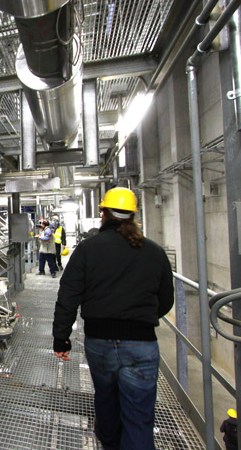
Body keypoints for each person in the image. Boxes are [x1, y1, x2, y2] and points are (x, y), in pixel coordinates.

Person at [52, 187, 174, 450]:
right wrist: (140, 318)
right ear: (133, 215)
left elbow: (68, 296)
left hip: (100, 343)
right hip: (141, 344)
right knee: (139, 418)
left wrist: (61, 338)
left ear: (103, 214)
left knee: (106, 400)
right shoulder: (154, 251)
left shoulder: (88, 249)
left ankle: (109, 443)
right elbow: (165, 301)